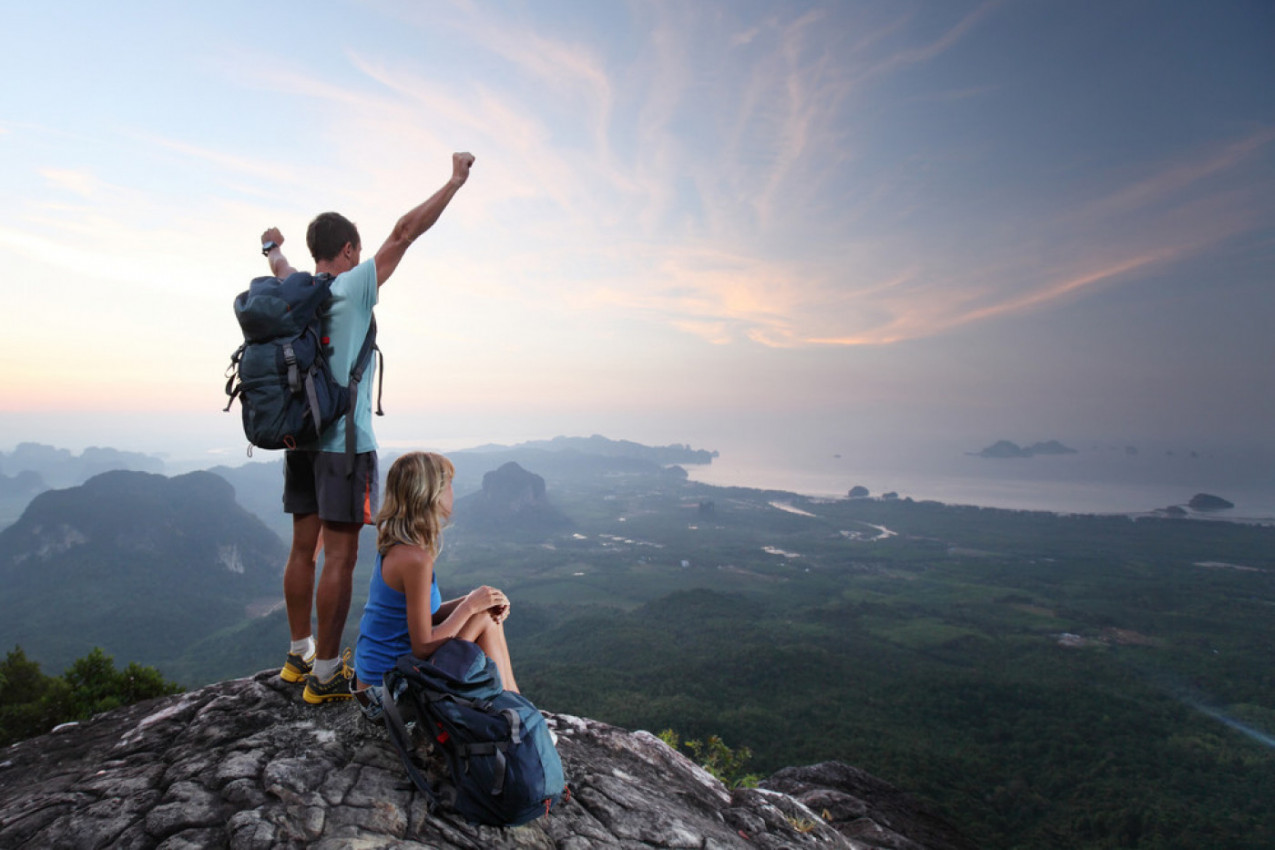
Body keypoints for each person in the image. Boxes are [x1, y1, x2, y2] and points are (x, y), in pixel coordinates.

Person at [264, 153, 476, 704]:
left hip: (300, 440)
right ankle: (327, 673)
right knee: (339, 557)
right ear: (351, 250)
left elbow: (279, 267)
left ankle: (298, 654)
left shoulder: (296, 290)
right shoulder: (354, 285)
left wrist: (272, 248)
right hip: (344, 445)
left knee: (301, 550)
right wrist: (453, 180)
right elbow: (406, 232)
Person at [352, 451, 520, 719]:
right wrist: (469, 606)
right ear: (429, 495)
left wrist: (478, 600)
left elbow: (421, 616)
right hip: (387, 694)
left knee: (484, 612)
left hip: (374, 685)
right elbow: (423, 645)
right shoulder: (415, 559)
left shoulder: (396, 545)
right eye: (448, 485)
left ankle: (515, 706)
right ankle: (518, 713)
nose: (453, 491)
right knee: (486, 619)